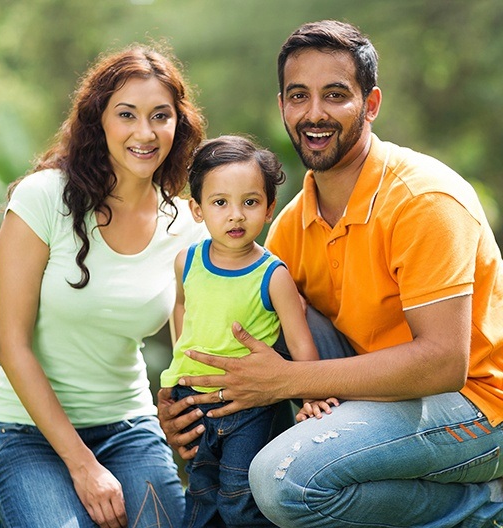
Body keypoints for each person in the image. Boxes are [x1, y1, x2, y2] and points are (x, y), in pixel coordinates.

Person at [157, 19, 503, 528]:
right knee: (265, 323)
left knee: (282, 481)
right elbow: (249, 345)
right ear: (282, 107)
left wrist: (289, 381)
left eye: (335, 95)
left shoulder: (424, 199)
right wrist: (190, 404)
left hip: (474, 408)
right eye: (299, 96)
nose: (314, 113)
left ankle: (483, 507)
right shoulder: (290, 225)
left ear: (371, 104)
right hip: (368, 393)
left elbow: (443, 364)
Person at [0, 43, 208, 528]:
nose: (145, 133)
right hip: (26, 434)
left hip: (129, 428)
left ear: (178, 124)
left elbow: (191, 347)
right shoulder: (43, 199)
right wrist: (83, 465)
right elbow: (10, 344)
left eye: (160, 116)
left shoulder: (189, 226)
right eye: (126, 114)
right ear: (99, 120)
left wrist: (179, 409)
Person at [160, 134, 337, 528]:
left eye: (250, 202)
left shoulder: (272, 275)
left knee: (239, 498)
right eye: (220, 203)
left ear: (270, 208)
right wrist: (178, 367)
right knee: (202, 492)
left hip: (251, 407)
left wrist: (311, 395)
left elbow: (299, 340)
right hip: (195, 400)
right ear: (197, 209)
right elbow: (182, 306)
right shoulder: (186, 262)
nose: (236, 215)